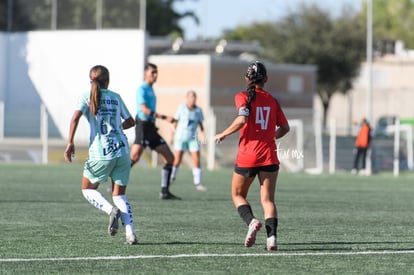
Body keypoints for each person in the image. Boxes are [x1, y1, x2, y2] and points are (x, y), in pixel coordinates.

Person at [215, 61, 290, 251]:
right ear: (266, 79)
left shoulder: (242, 96)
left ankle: (251, 222)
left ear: (247, 79)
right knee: (268, 200)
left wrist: (223, 133)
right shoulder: (272, 100)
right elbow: (285, 128)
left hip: (248, 156)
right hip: (269, 156)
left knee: (237, 194)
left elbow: (242, 120)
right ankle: (271, 239)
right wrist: (271, 136)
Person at [64, 65, 138, 245]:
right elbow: (130, 121)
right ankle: (131, 234)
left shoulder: (86, 96)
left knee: (87, 189)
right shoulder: (116, 97)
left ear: (91, 81)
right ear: (108, 80)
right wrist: (118, 128)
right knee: (119, 195)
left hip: (101, 153)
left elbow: (74, 118)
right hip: (122, 150)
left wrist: (70, 142)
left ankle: (109, 210)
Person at [130, 63, 179, 200]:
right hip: (143, 126)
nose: (155, 75)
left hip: (151, 127)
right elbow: (144, 110)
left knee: (170, 158)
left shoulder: (151, 89)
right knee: (134, 157)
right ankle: (115, 184)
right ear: (145, 73)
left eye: (156, 72)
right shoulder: (142, 89)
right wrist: (166, 118)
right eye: (153, 72)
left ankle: (164, 191)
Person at [170, 90, 206, 191]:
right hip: (180, 137)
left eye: (194, 96)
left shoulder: (198, 110)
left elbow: (200, 124)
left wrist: (203, 135)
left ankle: (198, 183)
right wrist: (171, 136)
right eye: (191, 96)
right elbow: (175, 122)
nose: (193, 98)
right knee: (177, 160)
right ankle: (171, 177)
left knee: (196, 159)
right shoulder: (181, 108)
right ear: (187, 98)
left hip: (193, 138)